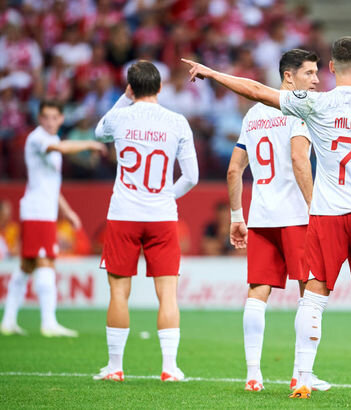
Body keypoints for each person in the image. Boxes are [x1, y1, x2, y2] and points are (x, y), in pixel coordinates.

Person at [182, 35, 351, 402]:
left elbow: (255, 90)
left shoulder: (314, 103)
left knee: (313, 297)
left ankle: (304, 379)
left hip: (326, 212)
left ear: (330, 68)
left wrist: (213, 73)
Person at [226, 48, 330, 392]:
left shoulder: (253, 115)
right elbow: (301, 160)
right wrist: (316, 207)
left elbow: (233, 170)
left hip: (260, 216)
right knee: (309, 292)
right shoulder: (299, 111)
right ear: (289, 76)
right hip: (297, 216)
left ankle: (252, 374)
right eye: (310, 73)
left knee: (258, 292)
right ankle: (302, 375)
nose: (316, 80)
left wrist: (236, 216)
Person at [92, 61, 199, 382]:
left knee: (118, 293)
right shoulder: (177, 121)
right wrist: (166, 195)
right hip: (162, 216)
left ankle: (115, 367)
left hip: (123, 214)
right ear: (161, 87)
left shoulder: (121, 116)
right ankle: (169, 367)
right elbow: (191, 177)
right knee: (167, 294)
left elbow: (99, 132)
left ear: (130, 88)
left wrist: (125, 99)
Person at [0, 100, 105, 337]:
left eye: (54, 117)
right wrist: (89, 143)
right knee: (46, 261)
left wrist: (67, 212)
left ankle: (7, 321)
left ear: (60, 119)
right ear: (39, 118)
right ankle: (49, 323)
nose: (49, 121)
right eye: (45, 117)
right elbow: (60, 150)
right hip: (38, 212)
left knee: (27, 266)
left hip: (42, 210)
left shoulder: (53, 140)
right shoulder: (38, 139)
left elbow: (51, 185)